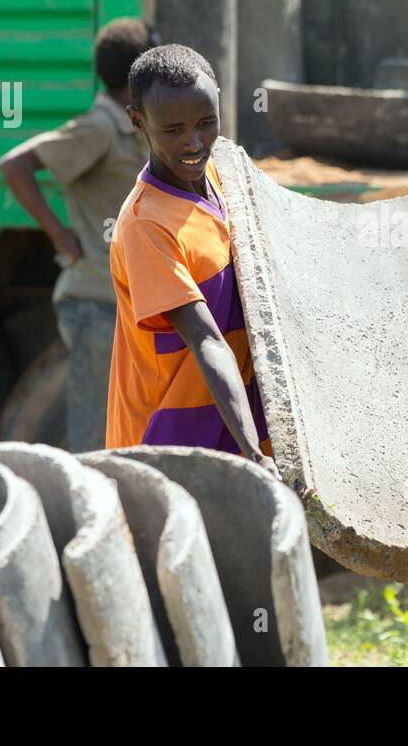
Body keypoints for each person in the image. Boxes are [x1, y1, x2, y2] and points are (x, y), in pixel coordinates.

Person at [103, 43, 278, 479]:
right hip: (168, 442)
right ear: (137, 122)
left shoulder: (219, 175)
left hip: (227, 425)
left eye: (206, 123)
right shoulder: (147, 225)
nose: (193, 143)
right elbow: (206, 340)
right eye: (173, 130)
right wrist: (255, 455)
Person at [0, 17, 158, 452]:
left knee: (124, 440)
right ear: (137, 72)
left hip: (123, 305)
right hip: (96, 303)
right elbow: (14, 165)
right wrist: (60, 236)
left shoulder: (131, 126)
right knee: (94, 445)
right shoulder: (99, 127)